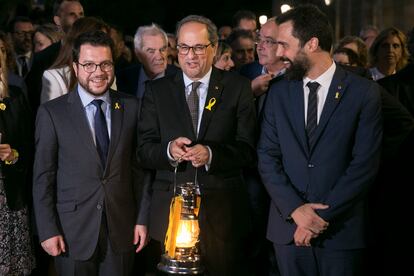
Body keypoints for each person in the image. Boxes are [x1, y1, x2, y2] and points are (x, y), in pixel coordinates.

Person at [257, 5, 382, 276]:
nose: (278, 53)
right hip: (287, 234)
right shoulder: (277, 93)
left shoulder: (363, 93)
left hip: (341, 234)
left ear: (312, 43)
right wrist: (295, 210)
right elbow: (267, 157)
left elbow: (364, 165)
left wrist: (318, 218)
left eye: (284, 45)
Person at [138, 15, 256, 275]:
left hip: (223, 216)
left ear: (213, 48)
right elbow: (143, 151)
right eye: (183, 47)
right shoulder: (157, 92)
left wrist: (212, 154)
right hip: (170, 218)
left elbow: (248, 150)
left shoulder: (238, 88)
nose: (190, 55)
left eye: (199, 47)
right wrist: (169, 151)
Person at [33, 30, 148, 276]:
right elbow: (43, 177)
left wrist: (142, 218)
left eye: (105, 64)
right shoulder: (53, 113)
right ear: (75, 67)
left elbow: (141, 171)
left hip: (122, 228)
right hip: (71, 232)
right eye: (89, 64)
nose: (98, 72)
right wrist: (47, 229)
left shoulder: (131, 107)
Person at [0, 37, 35, 276]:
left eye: (1, 50)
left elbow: (27, 145)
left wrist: (12, 155)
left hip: (10, 197)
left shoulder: (15, 97)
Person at [116, 23, 178, 116]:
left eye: (162, 49)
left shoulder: (181, 79)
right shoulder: (123, 78)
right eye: (151, 51)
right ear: (138, 54)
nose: (159, 57)